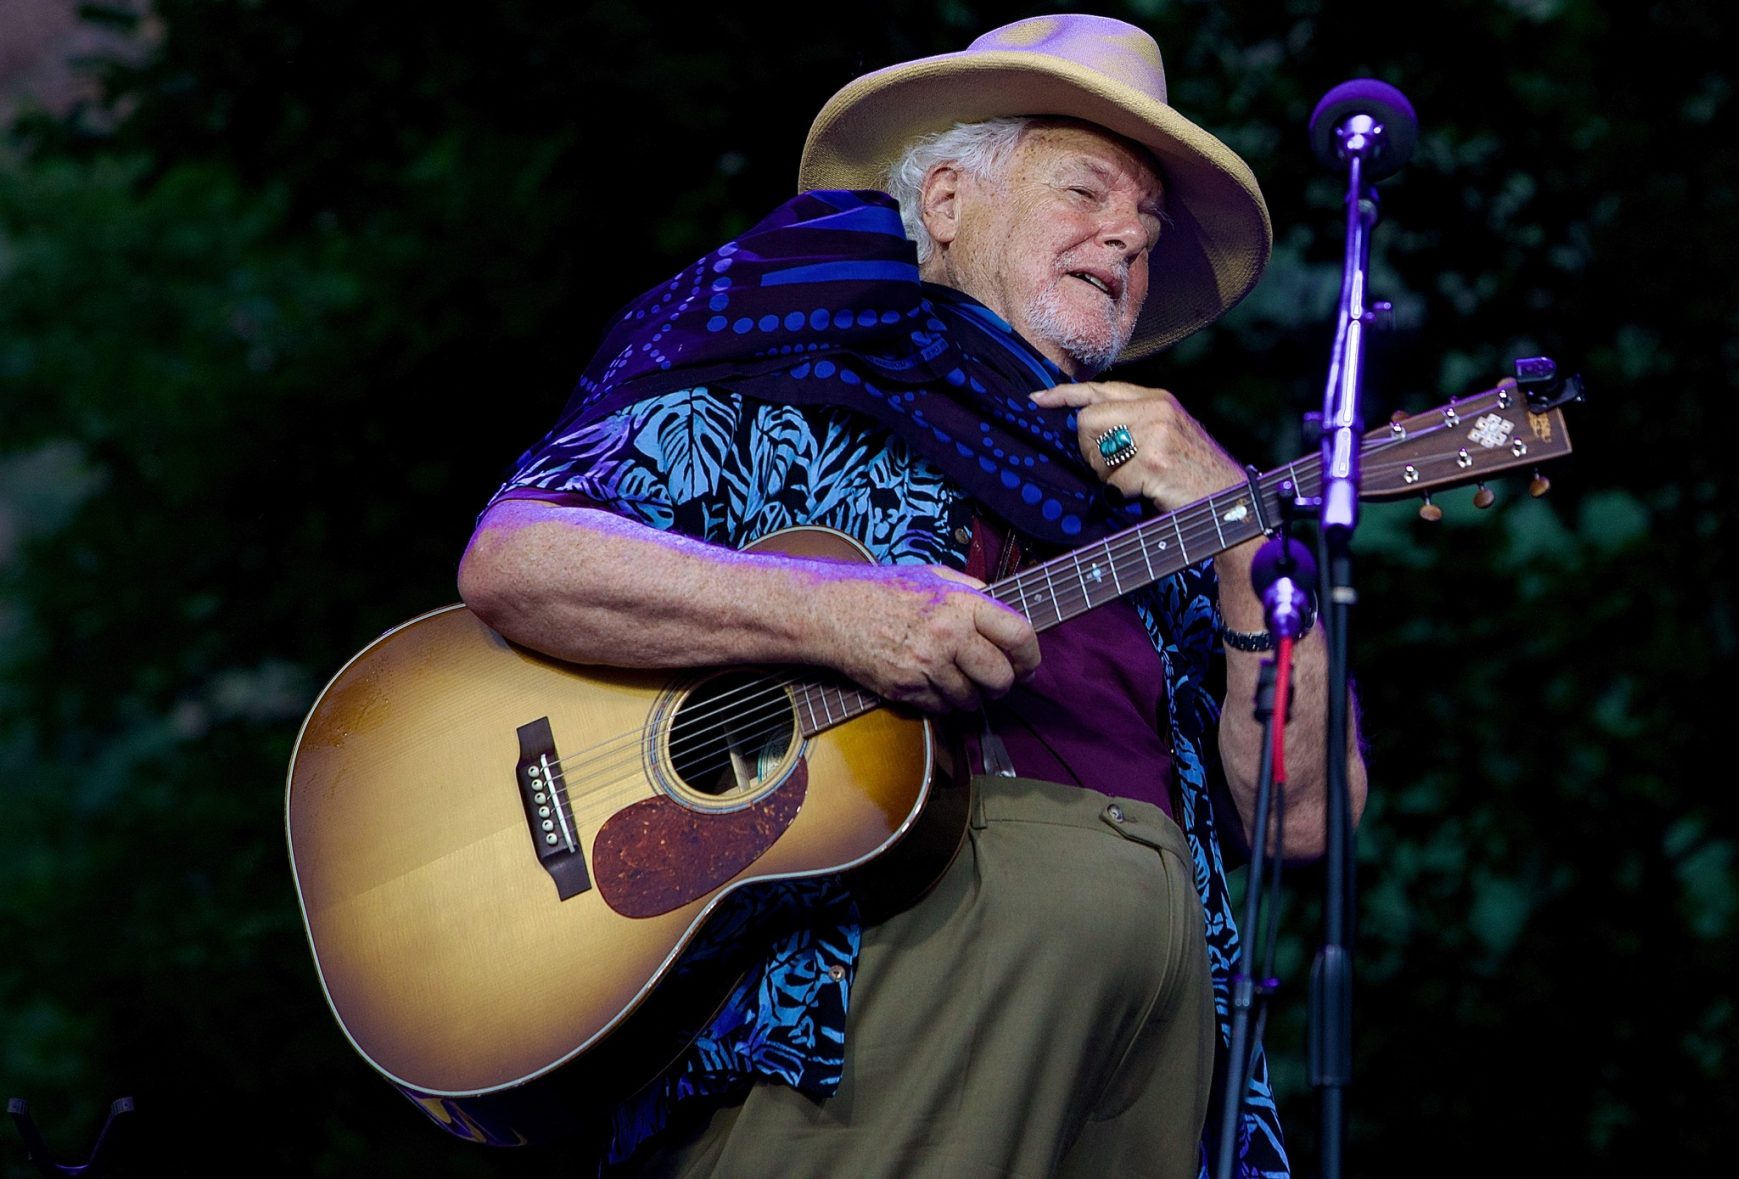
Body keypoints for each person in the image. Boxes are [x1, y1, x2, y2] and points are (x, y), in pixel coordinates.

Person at [453, 14, 1365, 1179]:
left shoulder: (1168, 493)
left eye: (1145, 228)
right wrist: (841, 615)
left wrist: (1238, 528)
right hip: (852, 1036)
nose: (1125, 240)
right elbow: (519, 558)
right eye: (1087, 192)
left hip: (1155, 1061)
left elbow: (1306, 826)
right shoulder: (790, 390)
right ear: (944, 201)